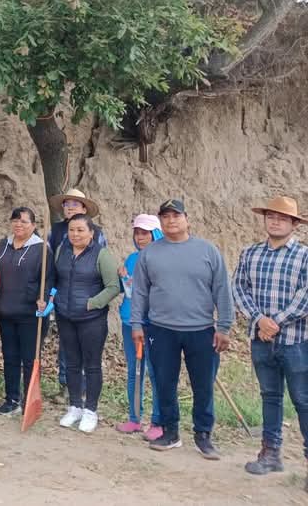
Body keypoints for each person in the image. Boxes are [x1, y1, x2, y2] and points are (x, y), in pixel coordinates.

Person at [131, 199, 233, 458]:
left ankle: (203, 435)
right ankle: (170, 431)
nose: (171, 220)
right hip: (161, 329)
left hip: (201, 330)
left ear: (187, 219)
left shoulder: (208, 251)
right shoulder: (150, 253)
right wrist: (136, 324)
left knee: (203, 385)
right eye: (165, 216)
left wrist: (224, 327)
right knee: (165, 383)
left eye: (176, 215)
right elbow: (140, 292)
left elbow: (222, 290)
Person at [232, 196, 308, 483]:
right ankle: (270, 453)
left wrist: (276, 322)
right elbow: (239, 287)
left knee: (303, 400)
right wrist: (258, 320)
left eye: (282, 218)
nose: (275, 221)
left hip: (296, 341)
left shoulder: (304, 255)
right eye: (270, 216)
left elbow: (306, 294)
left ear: (293, 224)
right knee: (270, 397)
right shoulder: (250, 253)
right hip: (260, 338)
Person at [52, 214, 120, 433]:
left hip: (92, 320)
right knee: (72, 363)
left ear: (91, 233)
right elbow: (57, 279)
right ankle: (75, 406)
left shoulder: (101, 255)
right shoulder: (62, 252)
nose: (75, 234)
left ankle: (90, 410)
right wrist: (54, 298)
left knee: (91, 365)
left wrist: (93, 303)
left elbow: (113, 286)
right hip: (66, 316)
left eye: (81, 230)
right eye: (72, 230)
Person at [0, 206, 53, 416]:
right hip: (5, 311)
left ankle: (30, 400)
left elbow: (49, 280)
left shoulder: (42, 249)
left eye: (24, 221)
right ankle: (11, 399)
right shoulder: (3, 245)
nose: (18, 224)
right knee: (9, 357)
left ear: (33, 226)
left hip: (30, 315)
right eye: (15, 220)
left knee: (29, 359)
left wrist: (44, 298)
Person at [116, 214, 163, 435]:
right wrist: (123, 279)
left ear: (156, 234)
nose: (140, 237)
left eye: (145, 233)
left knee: (156, 373)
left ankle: (157, 422)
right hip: (129, 322)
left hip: (154, 324)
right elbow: (129, 292)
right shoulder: (132, 259)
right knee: (135, 372)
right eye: (137, 233)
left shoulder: (164, 259)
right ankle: (134, 418)